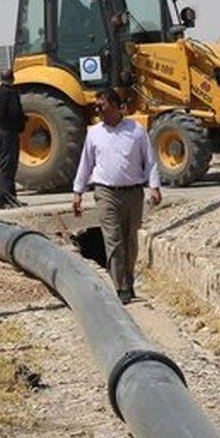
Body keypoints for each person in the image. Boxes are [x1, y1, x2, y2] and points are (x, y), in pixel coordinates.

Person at [71, 88, 162, 304]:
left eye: (101, 105)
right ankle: (120, 286)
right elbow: (85, 164)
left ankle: (128, 282)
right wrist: (77, 193)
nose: (97, 109)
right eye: (96, 106)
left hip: (133, 193)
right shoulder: (94, 133)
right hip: (105, 193)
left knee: (130, 242)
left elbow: (149, 161)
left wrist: (155, 186)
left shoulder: (136, 131)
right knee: (113, 240)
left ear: (114, 105)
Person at [0, 69, 26, 208]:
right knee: (8, 167)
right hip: (7, 133)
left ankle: (10, 198)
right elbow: (15, 113)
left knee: (0, 166)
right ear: (13, 78)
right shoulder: (11, 94)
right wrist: (22, 123)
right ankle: (4, 199)